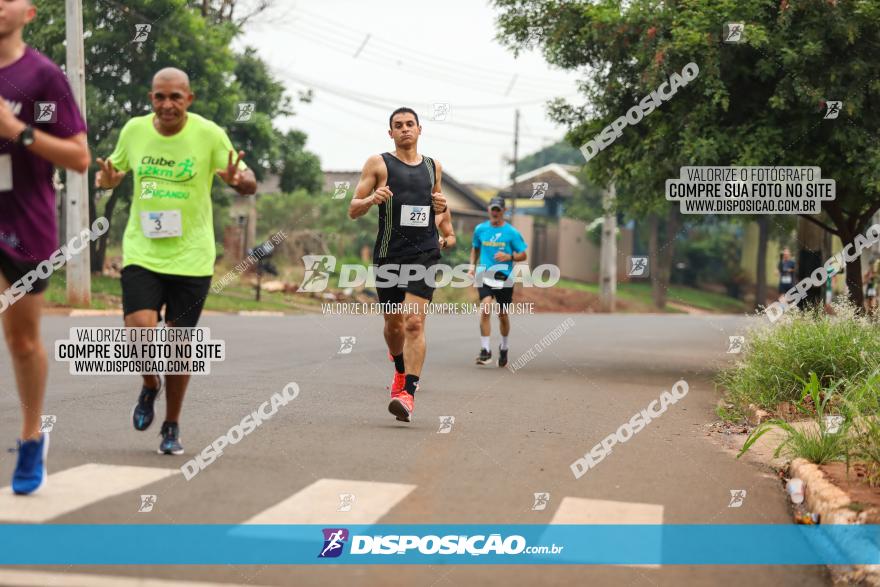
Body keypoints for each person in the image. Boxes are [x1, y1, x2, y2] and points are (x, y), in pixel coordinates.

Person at [96, 67, 256, 454]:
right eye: (159, 97)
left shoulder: (209, 134)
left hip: (192, 257)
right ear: (151, 98)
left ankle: (171, 425)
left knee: (180, 346)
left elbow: (248, 180)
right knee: (139, 330)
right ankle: (150, 383)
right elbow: (112, 173)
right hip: (143, 251)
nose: (167, 105)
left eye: (175, 97)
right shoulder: (134, 131)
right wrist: (108, 181)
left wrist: (238, 180)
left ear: (190, 99)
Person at [0, 0, 91, 494]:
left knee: (21, 341)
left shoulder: (43, 77)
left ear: (29, 12)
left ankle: (32, 435)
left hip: (22, 223)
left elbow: (79, 157)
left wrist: (19, 132)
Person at [348, 107, 447, 422]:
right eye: (398, 126)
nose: (405, 129)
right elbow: (353, 209)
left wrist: (443, 207)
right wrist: (370, 200)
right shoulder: (378, 163)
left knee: (414, 323)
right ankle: (399, 368)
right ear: (390, 132)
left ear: (420, 129)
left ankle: (408, 394)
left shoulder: (434, 167)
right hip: (389, 254)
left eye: (410, 124)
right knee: (393, 326)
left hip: (424, 254)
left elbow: (438, 205)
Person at [469, 197, 527, 367]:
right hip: (484, 273)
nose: (495, 213)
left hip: (504, 276)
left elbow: (523, 254)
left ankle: (504, 346)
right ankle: (485, 350)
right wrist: (472, 266)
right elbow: (475, 248)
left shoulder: (512, 232)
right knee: (485, 309)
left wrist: (509, 256)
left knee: (502, 315)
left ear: (504, 211)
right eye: (493, 209)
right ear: (488, 210)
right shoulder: (480, 229)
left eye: (498, 210)